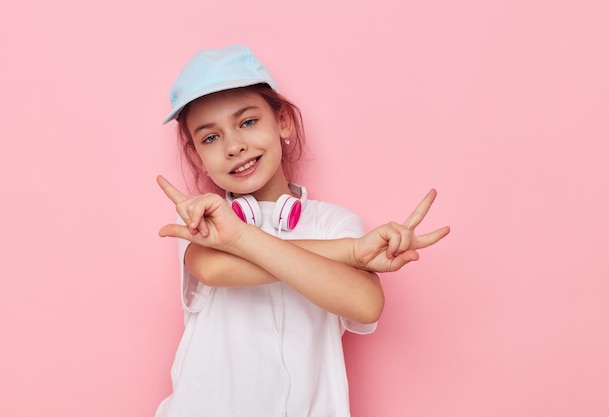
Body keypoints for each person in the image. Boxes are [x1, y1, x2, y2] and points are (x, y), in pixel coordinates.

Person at [155, 45, 449, 417]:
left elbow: (366, 304)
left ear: (283, 123)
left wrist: (349, 247)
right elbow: (215, 271)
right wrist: (350, 253)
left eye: (247, 122)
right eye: (210, 138)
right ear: (197, 155)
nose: (234, 145)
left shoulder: (335, 224)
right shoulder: (203, 225)